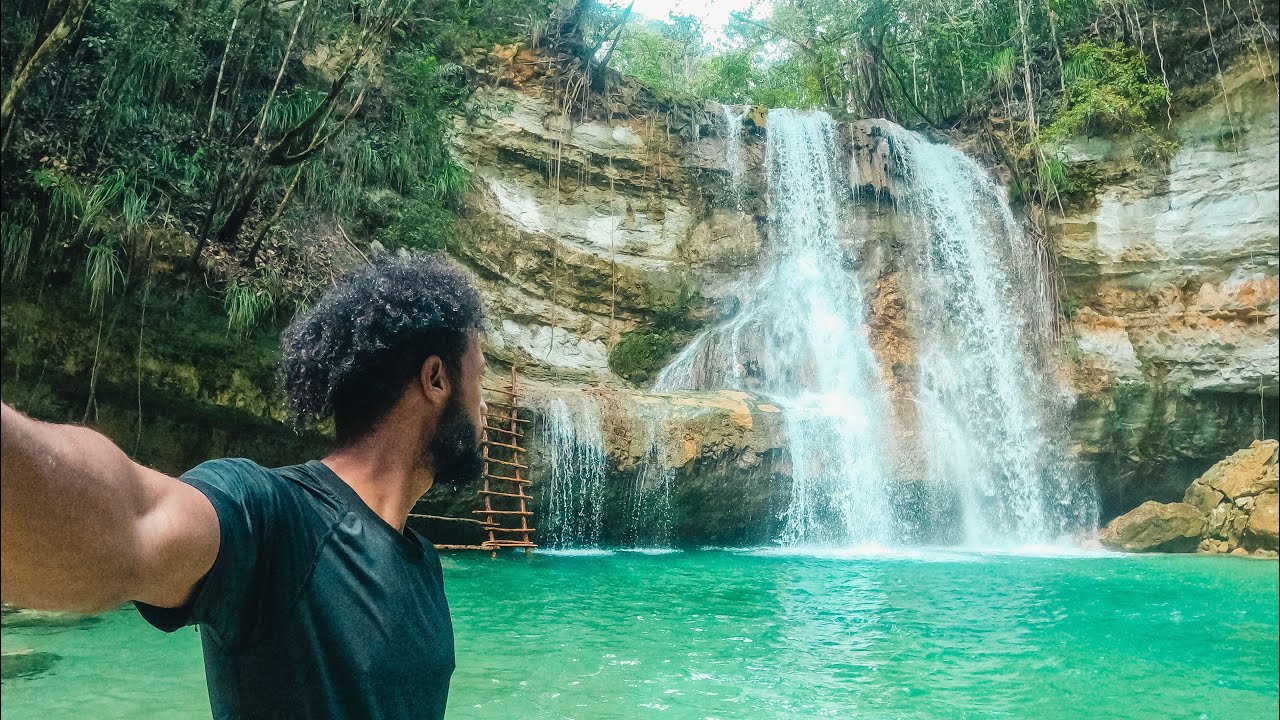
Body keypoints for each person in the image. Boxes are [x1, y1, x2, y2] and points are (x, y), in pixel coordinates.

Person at [1, 253, 488, 719]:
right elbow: (136, 521)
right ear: (435, 379)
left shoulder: (423, 563)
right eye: (480, 380)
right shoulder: (275, 518)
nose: (484, 407)